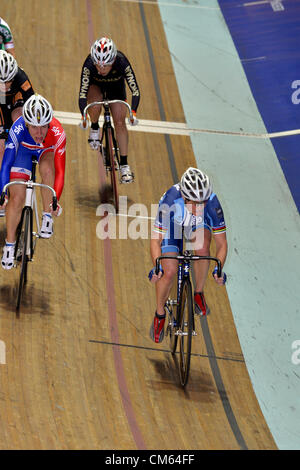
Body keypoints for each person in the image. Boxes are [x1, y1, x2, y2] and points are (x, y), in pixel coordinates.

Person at [148, 167, 228, 343]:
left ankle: (198, 292)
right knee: (168, 271)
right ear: (184, 197)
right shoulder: (170, 200)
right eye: (194, 202)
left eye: (203, 202)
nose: (199, 207)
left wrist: (218, 268)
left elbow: (222, 244)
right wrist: (157, 266)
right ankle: (159, 314)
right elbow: (156, 241)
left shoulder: (212, 204)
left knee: (202, 249)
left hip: (197, 226)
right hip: (173, 225)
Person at [0, 94, 66, 270]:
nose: (39, 132)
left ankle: (46, 215)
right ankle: (10, 244)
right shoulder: (17, 128)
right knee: (16, 198)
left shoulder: (57, 132)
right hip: (23, 151)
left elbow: (60, 172)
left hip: (46, 151)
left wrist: (55, 199)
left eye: (44, 126)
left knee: (48, 170)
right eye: (35, 127)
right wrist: (3, 193)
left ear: (49, 123)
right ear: (27, 123)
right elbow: (6, 164)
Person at [78, 36, 140, 183]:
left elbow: (135, 90)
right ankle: (94, 128)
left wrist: (134, 112)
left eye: (105, 65)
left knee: (119, 122)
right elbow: (82, 92)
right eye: (98, 65)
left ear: (113, 61)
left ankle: (124, 165)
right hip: (96, 87)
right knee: (94, 103)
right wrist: (84, 116)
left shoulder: (121, 61)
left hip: (116, 89)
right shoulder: (89, 64)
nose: (101, 69)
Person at [0, 50, 34, 174]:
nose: (5, 85)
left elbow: (32, 103)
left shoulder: (21, 77)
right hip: (0, 100)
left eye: (8, 81)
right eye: (1, 82)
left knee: (19, 117)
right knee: (1, 144)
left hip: (15, 96)